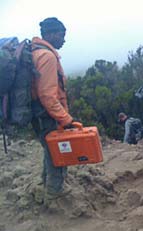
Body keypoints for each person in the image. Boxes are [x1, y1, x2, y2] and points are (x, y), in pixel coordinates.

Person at [31, 17, 74, 205]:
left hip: (37, 113)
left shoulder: (36, 52)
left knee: (50, 151)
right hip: (45, 114)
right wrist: (65, 119)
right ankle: (54, 194)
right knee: (58, 152)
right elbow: (48, 95)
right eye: (61, 35)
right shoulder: (47, 57)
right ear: (50, 34)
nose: (64, 39)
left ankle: (45, 183)